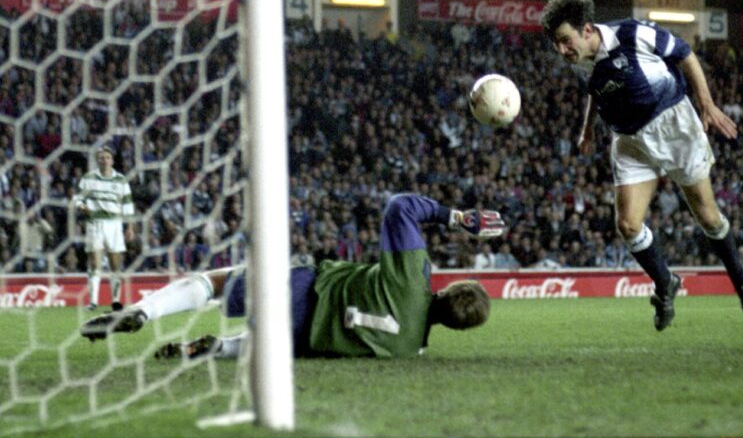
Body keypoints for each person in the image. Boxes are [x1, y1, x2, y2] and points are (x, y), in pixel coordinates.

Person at [540, 0, 743, 331]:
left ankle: (742, 280)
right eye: (557, 44)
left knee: (708, 218)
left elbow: (684, 54)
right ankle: (665, 282)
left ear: (586, 29)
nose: (562, 50)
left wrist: (706, 103)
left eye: (565, 41)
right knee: (628, 225)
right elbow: (594, 89)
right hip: (630, 141)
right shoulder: (582, 56)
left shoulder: (631, 34)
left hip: (674, 127)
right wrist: (586, 130)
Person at [80, 193, 507, 359]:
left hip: (306, 289)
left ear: (448, 288)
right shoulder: (408, 348)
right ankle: (218, 350)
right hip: (304, 341)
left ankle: (141, 311)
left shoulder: (414, 277)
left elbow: (400, 207)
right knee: (287, 342)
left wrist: (457, 217)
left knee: (216, 282)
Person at [73, 145, 136, 311]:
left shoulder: (121, 180)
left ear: (112, 160)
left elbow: (128, 205)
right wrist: (83, 207)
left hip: (114, 225)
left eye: (107, 157)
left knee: (116, 265)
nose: (104, 160)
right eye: (101, 158)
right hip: (95, 224)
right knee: (95, 263)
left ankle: (115, 300)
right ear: (97, 160)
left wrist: (129, 227)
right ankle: (93, 301)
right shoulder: (89, 178)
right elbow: (78, 199)